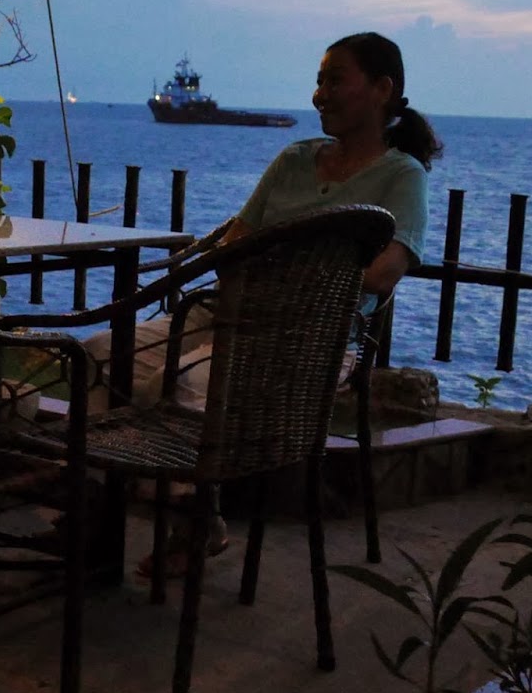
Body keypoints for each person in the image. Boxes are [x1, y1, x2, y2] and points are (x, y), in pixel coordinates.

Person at [85, 31, 442, 576]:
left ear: (381, 89)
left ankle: (195, 517)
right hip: (227, 316)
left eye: (335, 80)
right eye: (318, 81)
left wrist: (277, 276)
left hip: (311, 342)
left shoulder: (402, 176)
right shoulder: (294, 159)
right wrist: (266, 273)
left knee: (178, 383)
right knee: (96, 355)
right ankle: (92, 510)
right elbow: (234, 247)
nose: (319, 94)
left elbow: (383, 272)